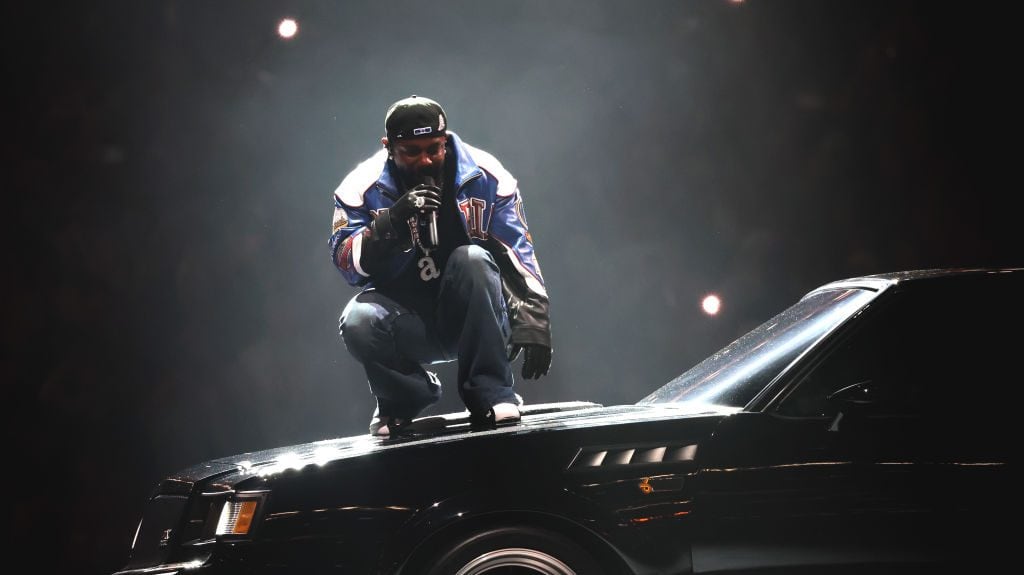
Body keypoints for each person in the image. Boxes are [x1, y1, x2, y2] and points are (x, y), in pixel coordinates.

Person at [329, 95, 552, 436]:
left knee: (473, 259)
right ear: (389, 147)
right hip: (406, 320)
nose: (426, 160)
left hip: (476, 312)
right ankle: (402, 400)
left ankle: (491, 394)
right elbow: (347, 265)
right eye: (412, 151)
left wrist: (533, 319)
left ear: (446, 140)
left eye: (434, 148)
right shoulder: (360, 188)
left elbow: (518, 250)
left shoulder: (486, 174)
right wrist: (390, 223)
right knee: (357, 319)